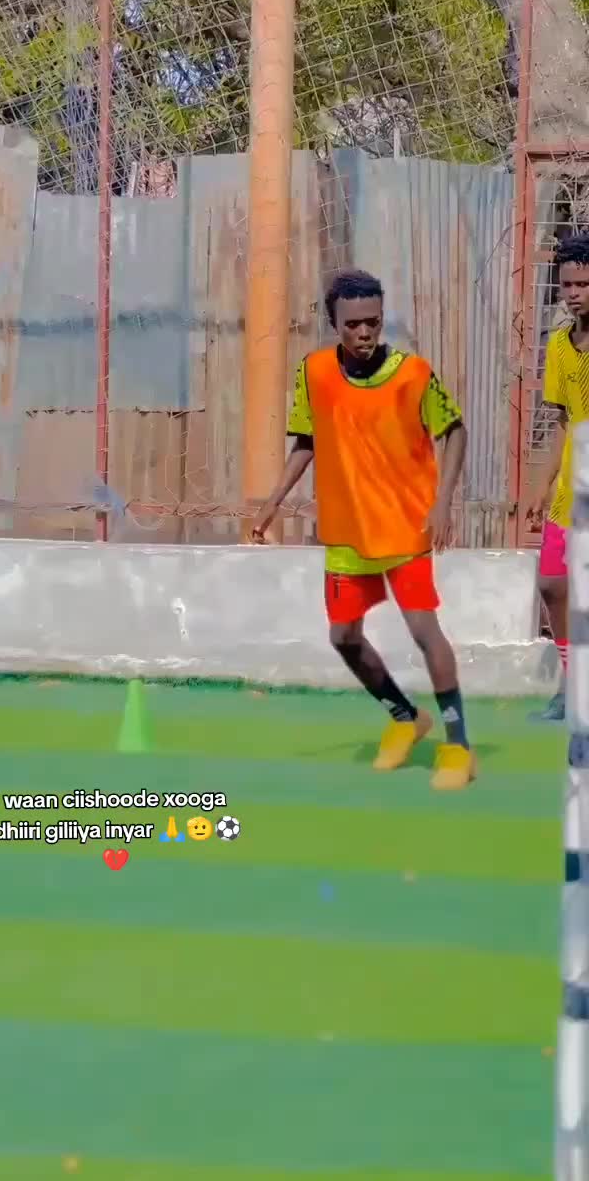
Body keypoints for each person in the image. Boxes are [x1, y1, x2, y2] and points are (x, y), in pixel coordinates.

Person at [252, 269, 475, 792]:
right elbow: (306, 442)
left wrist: (443, 503)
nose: (364, 332)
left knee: (424, 631)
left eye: (372, 321)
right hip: (347, 530)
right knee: (344, 638)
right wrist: (271, 504)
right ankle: (405, 717)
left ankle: (458, 746)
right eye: (353, 324)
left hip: (405, 528)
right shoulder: (313, 372)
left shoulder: (412, 374)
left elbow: (455, 430)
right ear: (334, 324)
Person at [527, 231, 589, 722]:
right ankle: (572, 683)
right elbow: (563, 421)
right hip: (572, 487)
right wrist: (541, 482)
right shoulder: (560, 346)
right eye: (567, 284)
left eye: (583, 284)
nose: (574, 293)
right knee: (551, 583)